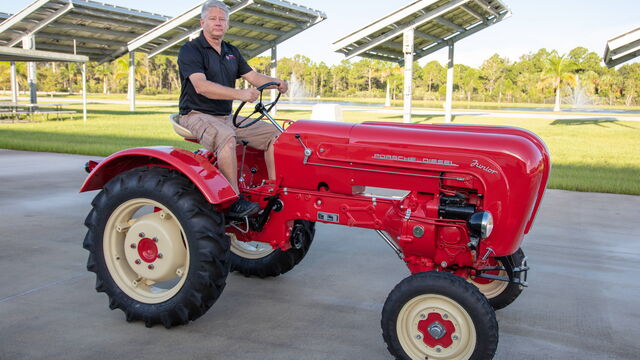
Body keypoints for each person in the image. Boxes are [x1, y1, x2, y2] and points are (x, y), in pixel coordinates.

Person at [177, 0, 287, 218]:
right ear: (203, 22)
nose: (218, 23)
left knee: (276, 135)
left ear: (227, 24)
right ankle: (232, 201)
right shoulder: (191, 50)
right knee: (227, 138)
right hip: (196, 115)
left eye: (222, 19)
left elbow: (253, 77)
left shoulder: (231, 51)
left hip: (226, 116)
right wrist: (240, 94)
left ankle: (273, 190)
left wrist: (276, 82)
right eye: (213, 18)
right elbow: (201, 86)